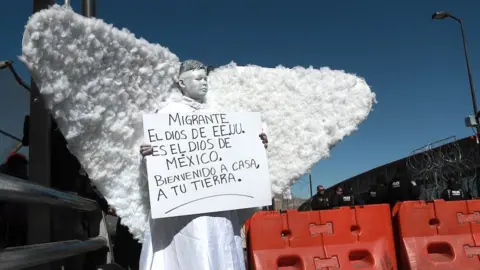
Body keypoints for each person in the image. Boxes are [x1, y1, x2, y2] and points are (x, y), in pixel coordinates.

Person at [138, 60, 268, 270]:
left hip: (219, 210)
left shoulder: (219, 116)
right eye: (198, 78)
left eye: (206, 78)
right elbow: (153, 173)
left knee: (220, 252)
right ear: (181, 83)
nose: (204, 83)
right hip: (182, 215)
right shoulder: (165, 114)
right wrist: (148, 157)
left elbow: (237, 158)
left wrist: (256, 144)